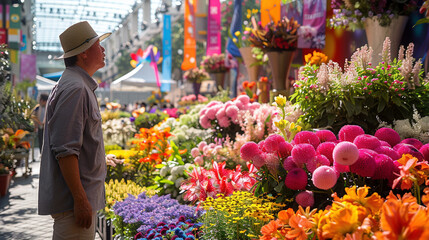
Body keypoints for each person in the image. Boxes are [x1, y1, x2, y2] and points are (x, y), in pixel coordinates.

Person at [38, 21, 111, 240]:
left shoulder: (74, 84)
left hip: (76, 203)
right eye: (99, 44)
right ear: (84, 53)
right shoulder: (76, 88)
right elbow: (66, 150)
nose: (103, 49)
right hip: (74, 207)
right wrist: (80, 200)